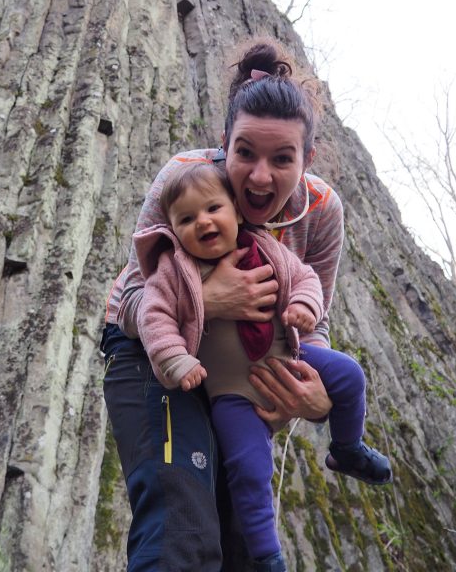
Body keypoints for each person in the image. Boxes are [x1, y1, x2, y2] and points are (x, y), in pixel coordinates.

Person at [101, 38, 361, 572]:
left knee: (242, 536)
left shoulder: (320, 211)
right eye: (245, 153)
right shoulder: (187, 179)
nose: (260, 176)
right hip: (151, 355)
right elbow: (131, 298)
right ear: (225, 143)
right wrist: (208, 300)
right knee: (183, 523)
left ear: (306, 159)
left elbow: (315, 321)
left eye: (282, 158)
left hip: (242, 373)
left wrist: (313, 401)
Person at [133, 160, 391, 572]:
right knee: (249, 470)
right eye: (186, 219)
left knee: (349, 375)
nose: (202, 222)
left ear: (236, 211)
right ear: (173, 231)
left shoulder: (266, 247)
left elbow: (306, 278)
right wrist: (177, 361)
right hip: (230, 393)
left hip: (287, 354)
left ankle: (347, 448)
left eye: (213, 209)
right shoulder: (173, 270)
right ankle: (268, 556)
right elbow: (153, 318)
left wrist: (305, 307)